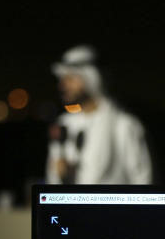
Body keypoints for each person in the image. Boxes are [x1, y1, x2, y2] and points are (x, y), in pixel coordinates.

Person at [46, 45, 153, 184]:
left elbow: (143, 180)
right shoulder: (63, 124)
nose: (63, 85)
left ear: (91, 78)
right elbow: (52, 181)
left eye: (70, 78)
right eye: (63, 79)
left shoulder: (124, 124)